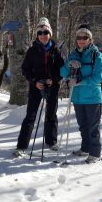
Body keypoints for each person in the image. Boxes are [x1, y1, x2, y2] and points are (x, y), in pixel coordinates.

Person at [13, 17, 64, 157]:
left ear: (50, 34)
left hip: (52, 86)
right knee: (30, 115)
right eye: (40, 33)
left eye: (45, 32)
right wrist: (34, 81)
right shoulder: (31, 51)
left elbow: (62, 69)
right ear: (37, 35)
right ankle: (21, 146)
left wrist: (54, 80)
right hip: (36, 86)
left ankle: (51, 142)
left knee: (51, 114)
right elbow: (25, 69)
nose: (43, 35)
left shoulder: (56, 51)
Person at [60, 24, 102, 164]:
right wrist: (68, 65)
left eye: (85, 37)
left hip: (92, 97)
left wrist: (81, 82)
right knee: (83, 125)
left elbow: (99, 77)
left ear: (90, 39)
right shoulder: (73, 54)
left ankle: (95, 153)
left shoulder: (97, 55)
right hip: (78, 97)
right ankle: (85, 149)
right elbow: (62, 73)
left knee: (93, 126)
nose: (81, 39)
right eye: (79, 37)